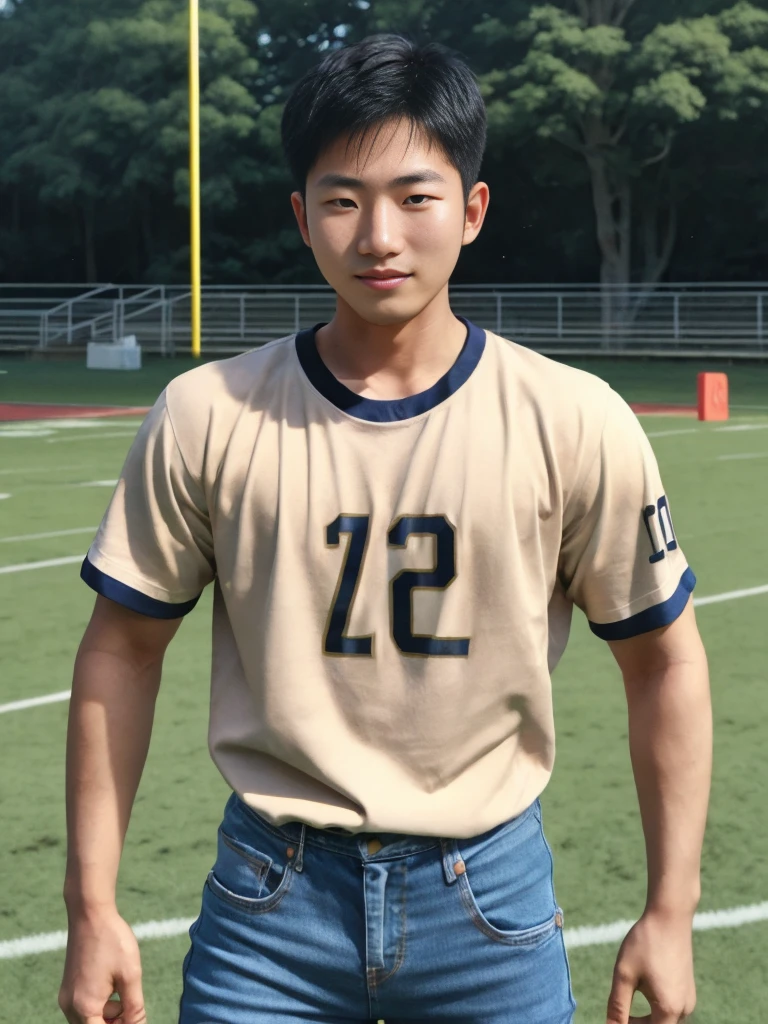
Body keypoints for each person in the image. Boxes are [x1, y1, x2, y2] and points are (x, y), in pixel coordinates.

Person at [58, 33, 712, 1024]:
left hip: (486, 897)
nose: (379, 235)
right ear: (301, 216)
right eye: (342, 198)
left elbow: (664, 662)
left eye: (416, 195)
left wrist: (673, 904)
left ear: (473, 209)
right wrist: (90, 903)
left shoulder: (575, 418)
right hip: (269, 900)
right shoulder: (208, 414)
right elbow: (121, 648)